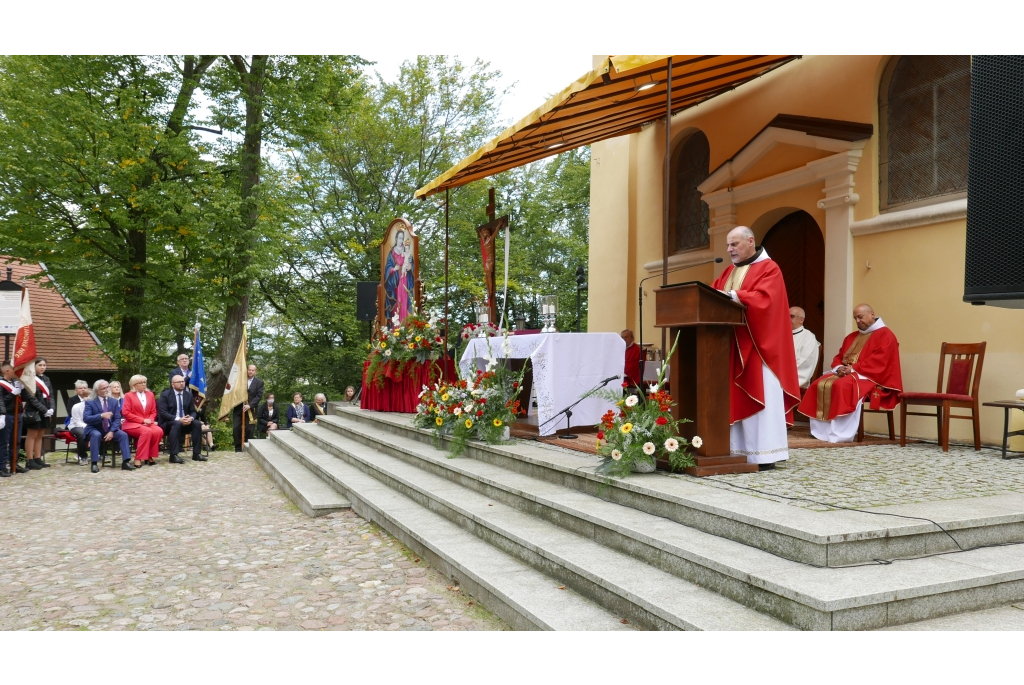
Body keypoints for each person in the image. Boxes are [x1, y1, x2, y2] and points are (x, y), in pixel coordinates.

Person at [711, 227, 801, 470]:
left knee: (761, 394)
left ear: (751, 241)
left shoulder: (769, 268)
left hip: (760, 349)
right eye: (728, 245)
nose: (729, 250)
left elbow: (766, 301)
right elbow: (711, 295)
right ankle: (734, 451)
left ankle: (763, 454)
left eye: (734, 244)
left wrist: (734, 295)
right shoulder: (729, 271)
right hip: (733, 346)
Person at [798, 304, 903, 443]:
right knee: (819, 383)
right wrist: (839, 367)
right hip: (850, 374)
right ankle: (821, 431)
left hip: (872, 377)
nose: (858, 321)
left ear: (872, 314)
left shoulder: (886, 335)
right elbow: (839, 356)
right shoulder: (852, 337)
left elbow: (881, 361)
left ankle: (840, 433)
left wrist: (853, 369)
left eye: (860, 317)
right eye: (855, 318)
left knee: (842, 386)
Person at [83, 379, 135, 472]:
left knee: (123, 435)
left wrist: (112, 431)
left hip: (110, 428)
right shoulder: (90, 402)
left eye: (108, 387)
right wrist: (101, 416)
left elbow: (117, 419)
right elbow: (86, 418)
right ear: (97, 391)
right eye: (104, 388)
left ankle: (126, 462)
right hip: (95, 428)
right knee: (96, 435)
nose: (107, 390)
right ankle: (94, 463)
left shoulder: (113, 401)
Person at [157, 374, 206, 463]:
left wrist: (190, 418)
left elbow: (193, 411)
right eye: (179, 382)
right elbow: (163, 413)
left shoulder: (188, 395)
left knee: (197, 423)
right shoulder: (165, 395)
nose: (182, 384)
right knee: (177, 423)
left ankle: (196, 454)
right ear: (173, 384)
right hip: (169, 423)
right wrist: (179, 419)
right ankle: (173, 455)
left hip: (185, 422)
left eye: (183, 381)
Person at [121, 374, 164, 467]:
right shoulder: (128, 396)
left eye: (145, 382)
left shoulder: (150, 394)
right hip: (132, 424)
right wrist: (142, 420)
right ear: (134, 385)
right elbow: (126, 413)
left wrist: (150, 420)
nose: (144, 384)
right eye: (141, 383)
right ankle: (138, 457)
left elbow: (153, 411)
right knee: (146, 431)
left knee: (158, 431)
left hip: (148, 423)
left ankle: (149, 456)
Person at [22, 357, 55, 470]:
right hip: (34, 410)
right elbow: (31, 398)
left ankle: (37, 458)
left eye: (44, 365)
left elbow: (51, 395)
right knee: (32, 435)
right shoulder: (30, 379)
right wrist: (44, 409)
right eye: (40, 365)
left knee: (40, 435)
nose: (42, 367)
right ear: (34, 366)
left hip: (45, 411)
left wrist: (51, 408)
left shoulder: (46, 378)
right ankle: (29, 460)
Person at [384, 229, 414, 324]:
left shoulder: (406, 250)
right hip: (395, 281)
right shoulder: (392, 252)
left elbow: (411, 263)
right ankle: (395, 329)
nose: (401, 240)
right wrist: (393, 269)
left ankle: (404, 326)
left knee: (404, 301)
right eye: (399, 238)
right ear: (396, 238)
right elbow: (388, 267)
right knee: (397, 302)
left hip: (405, 279)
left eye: (402, 238)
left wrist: (409, 267)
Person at [233, 364, 264, 452]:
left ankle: (247, 448)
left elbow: (259, 396)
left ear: (255, 371)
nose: (250, 371)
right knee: (236, 428)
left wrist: (250, 405)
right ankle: (238, 448)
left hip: (251, 410)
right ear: (246, 370)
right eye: (249, 370)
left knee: (250, 430)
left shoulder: (259, 382)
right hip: (239, 409)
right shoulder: (239, 381)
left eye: (252, 370)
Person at [790, 307, 820, 390]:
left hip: (793, 385)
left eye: (791, 316)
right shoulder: (780, 335)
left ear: (801, 320)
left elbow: (804, 364)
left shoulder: (808, 338)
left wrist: (782, 376)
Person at [66, 381, 92, 466]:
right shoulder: (75, 405)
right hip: (76, 424)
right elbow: (76, 421)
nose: (83, 390)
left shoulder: (94, 404)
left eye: (85, 388)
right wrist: (87, 426)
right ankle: (83, 456)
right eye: (81, 388)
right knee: (82, 433)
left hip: (89, 424)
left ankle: (101, 454)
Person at [0, 363, 16, 477]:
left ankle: (14, 464)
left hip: (16, 413)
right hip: (6, 414)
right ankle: (2, 467)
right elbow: (2, 401)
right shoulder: (1, 384)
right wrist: (12, 394)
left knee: (14, 441)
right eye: (14, 370)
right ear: (7, 371)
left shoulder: (14, 382)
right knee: (3, 442)